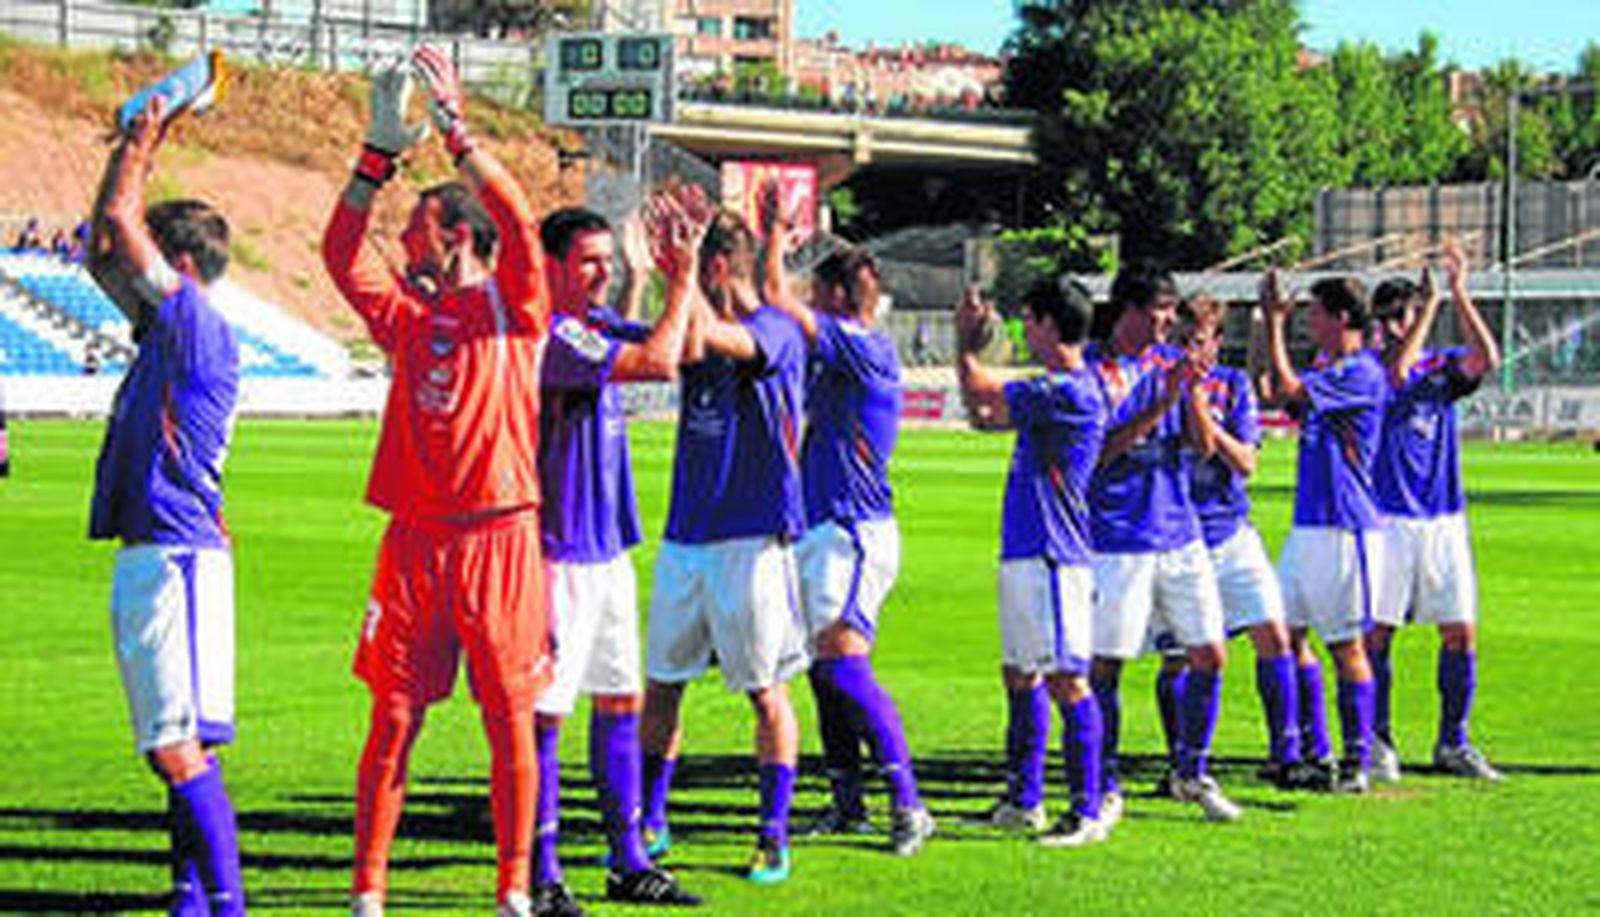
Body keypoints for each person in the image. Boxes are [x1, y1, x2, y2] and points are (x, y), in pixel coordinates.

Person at [322, 48, 551, 916]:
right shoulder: (409, 318)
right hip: (416, 537)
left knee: (509, 720)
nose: (401, 238)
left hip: (500, 536)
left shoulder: (517, 308)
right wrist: (375, 157)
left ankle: (513, 889)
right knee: (391, 719)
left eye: (414, 224)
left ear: (453, 232)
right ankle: (369, 890)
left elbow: (522, 224)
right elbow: (341, 251)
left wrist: (459, 130)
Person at [85, 95, 244, 915]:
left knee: (176, 745)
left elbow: (118, 220)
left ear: (177, 268)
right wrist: (125, 163)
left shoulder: (192, 326)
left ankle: (224, 901)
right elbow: (97, 246)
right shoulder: (169, 332)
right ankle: (192, 894)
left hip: (175, 554)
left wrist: (142, 142)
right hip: (172, 552)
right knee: (179, 745)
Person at [529, 196, 709, 914]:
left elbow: (689, 345)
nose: (603, 273)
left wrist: (667, 277)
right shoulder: (556, 337)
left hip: (605, 550)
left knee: (621, 702)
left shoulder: (592, 325)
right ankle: (540, 873)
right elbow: (663, 359)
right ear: (552, 266)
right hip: (558, 550)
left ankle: (627, 860)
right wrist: (683, 272)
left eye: (609, 259)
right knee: (547, 715)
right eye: (590, 261)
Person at [638, 210, 810, 885]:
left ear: (713, 269)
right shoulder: (697, 324)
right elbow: (663, 343)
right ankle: (652, 819)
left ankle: (772, 834)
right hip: (687, 536)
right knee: (662, 686)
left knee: (765, 690)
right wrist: (659, 281)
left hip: (752, 539)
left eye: (692, 267)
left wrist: (674, 280)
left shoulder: (776, 329)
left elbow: (708, 332)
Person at [760, 198, 935, 857]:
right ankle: (847, 802)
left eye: (819, 289)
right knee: (823, 668)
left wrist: (775, 232)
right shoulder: (856, 347)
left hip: (855, 529)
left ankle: (909, 802)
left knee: (843, 661)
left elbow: (776, 295)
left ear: (835, 295)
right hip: (825, 525)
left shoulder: (855, 340)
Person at [956, 279, 1113, 848]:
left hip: (1054, 556)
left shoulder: (1069, 390)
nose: (1024, 330)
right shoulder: (1055, 391)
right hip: (1027, 550)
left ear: (1049, 324)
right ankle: (1025, 800)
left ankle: (1088, 809)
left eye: (1028, 320)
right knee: (1020, 674)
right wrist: (970, 354)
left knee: (1067, 680)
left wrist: (967, 340)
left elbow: (979, 386)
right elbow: (980, 414)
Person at [1080, 268, 1238, 823]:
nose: (1170, 321)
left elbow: (1201, 448)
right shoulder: (1095, 369)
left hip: (1181, 531)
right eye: (1160, 310)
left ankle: (1190, 772)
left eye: (1173, 311)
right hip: (1119, 536)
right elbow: (1095, 454)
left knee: (1210, 654)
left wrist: (1190, 393)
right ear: (1127, 309)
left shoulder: (1173, 365)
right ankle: (1105, 784)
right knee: (1107, 666)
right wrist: (1158, 404)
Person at [1149, 295, 1321, 791]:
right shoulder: (1158, 383)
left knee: (1274, 636)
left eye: (1199, 342)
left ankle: (1285, 753)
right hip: (1181, 538)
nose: (1190, 351)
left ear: (1217, 343)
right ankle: (1180, 761)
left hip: (1232, 533)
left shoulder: (1234, 385)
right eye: (1181, 341)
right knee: (1180, 657)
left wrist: (1203, 409)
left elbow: (1245, 461)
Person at [1367, 239, 1503, 782]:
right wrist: (1428, 310)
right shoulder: (1372, 370)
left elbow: (1485, 359)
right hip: (1389, 518)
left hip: (1443, 517)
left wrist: (1459, 293)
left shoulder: (1441, 370)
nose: (1395, 326)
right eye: (1391, 318)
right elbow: (1398, 371)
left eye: (1399, 316)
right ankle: (1377, 739)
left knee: (1460, 632)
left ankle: (1454, 741)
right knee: (1379, 634)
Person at [1260, 269, 1389, 794]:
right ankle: (1315, 751)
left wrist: (1272, 322)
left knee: (1346, 647)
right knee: (1283, 636)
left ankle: (1360, 760)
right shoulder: (1330, 369)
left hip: (1346, 528)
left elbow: (1291, 390)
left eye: (1313, 312)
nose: (1307, 321)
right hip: (1309, 527)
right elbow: (1278, 394)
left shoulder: (1361, 372)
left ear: (1340, 317)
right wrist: (1271, 331)